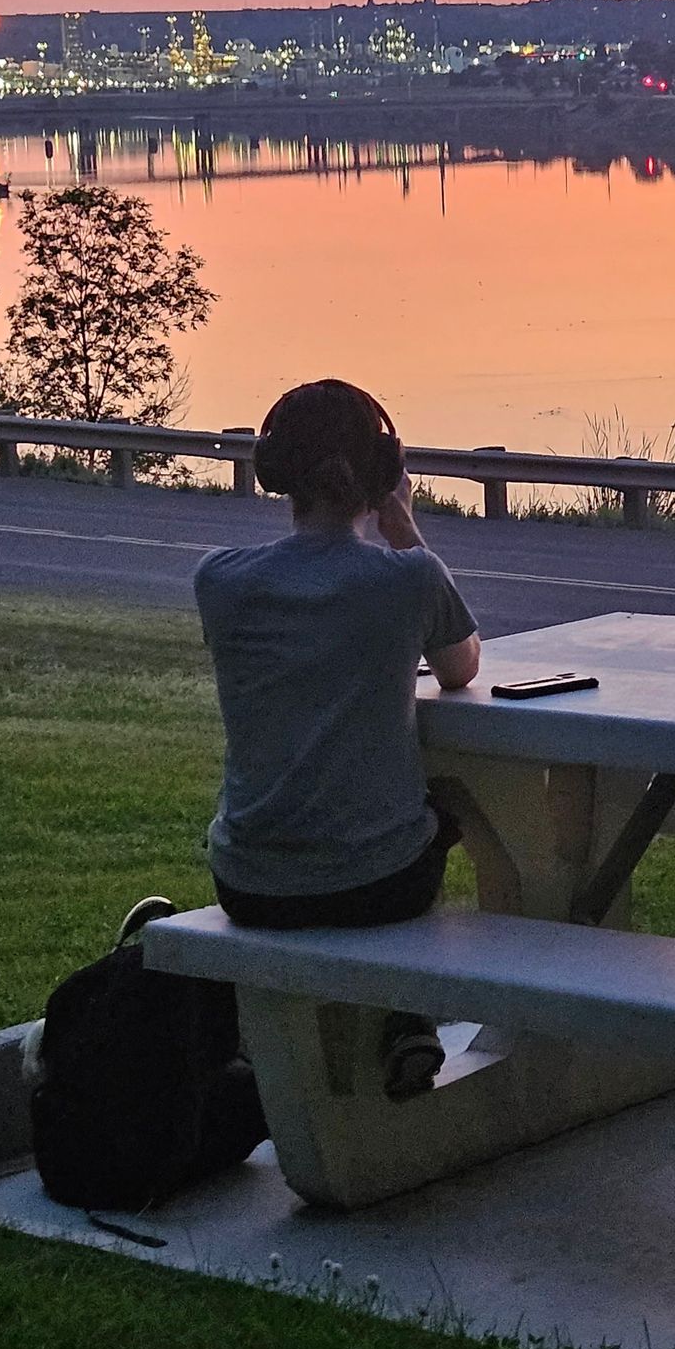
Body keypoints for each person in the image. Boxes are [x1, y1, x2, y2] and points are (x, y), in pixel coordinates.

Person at [193, 379, 481, 1101]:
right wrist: (404, 528)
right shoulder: (407, 578)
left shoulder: (219, 582)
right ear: (385, 475)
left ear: (274, 473)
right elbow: (459, 667)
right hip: (377, 885)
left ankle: (393, 1019)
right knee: (445, 803)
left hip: (249, 881)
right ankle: (406, 1011)